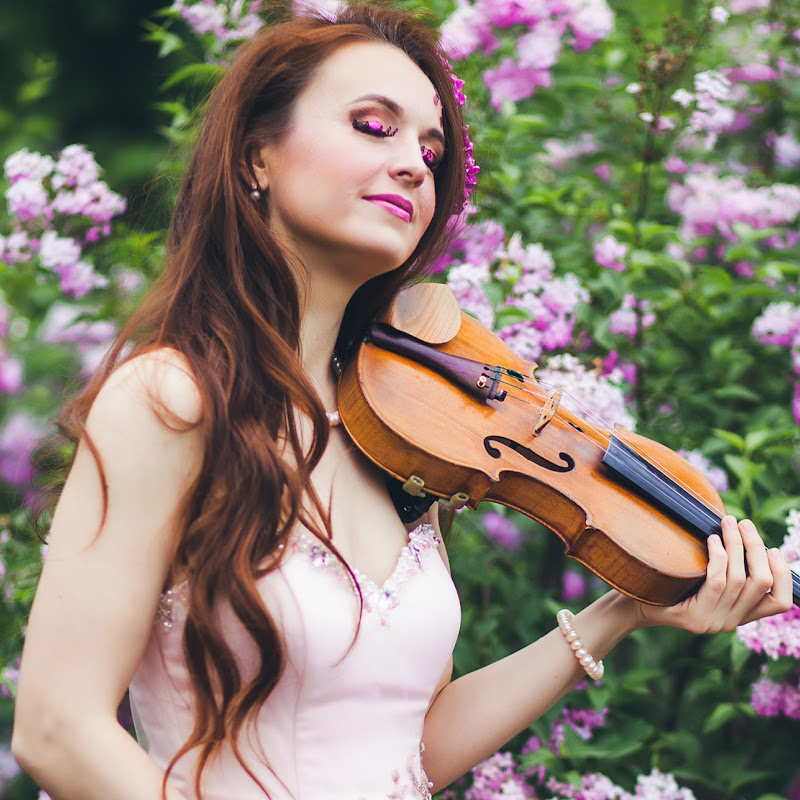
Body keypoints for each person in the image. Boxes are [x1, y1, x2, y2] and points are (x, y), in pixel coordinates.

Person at [10, 4, 793, 800]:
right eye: (372, 125)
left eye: (429, 148)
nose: (417, 165)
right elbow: (57, 726)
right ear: (257, 158)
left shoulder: (403, 432)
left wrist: (619, 612)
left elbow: (410, 747)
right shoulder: (173, 399)